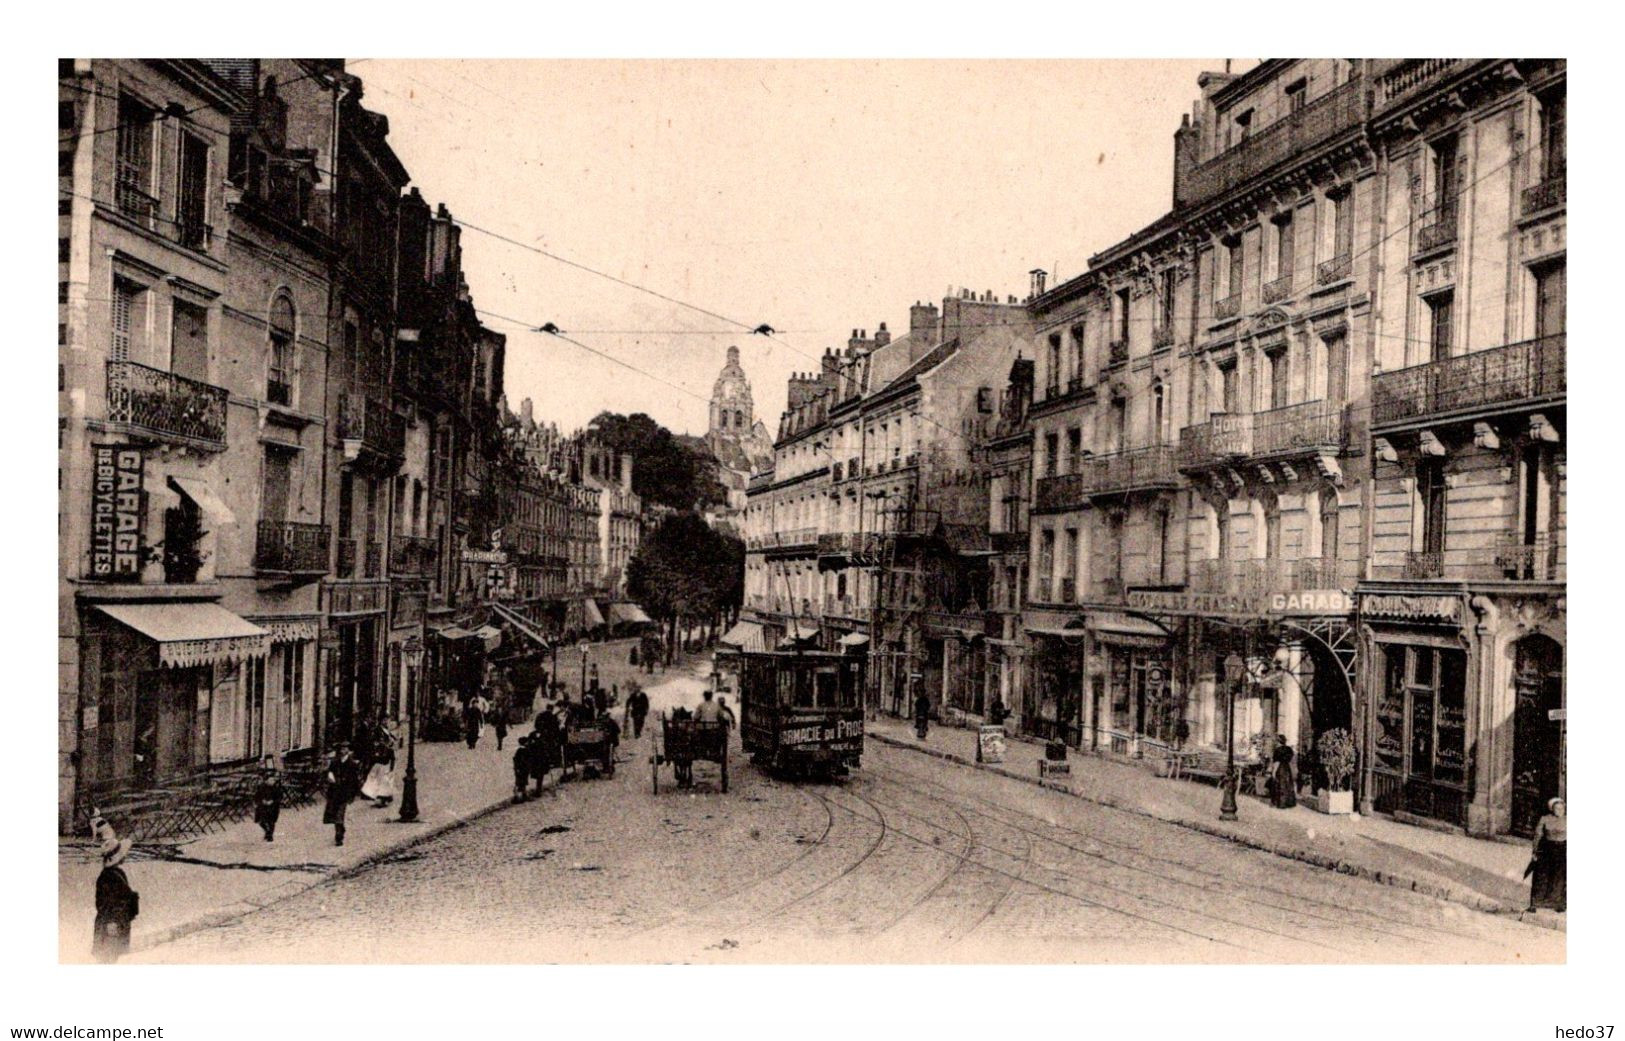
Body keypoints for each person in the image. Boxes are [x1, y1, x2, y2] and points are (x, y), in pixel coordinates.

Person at [91, 827, 138, 963]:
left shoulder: (117, 873)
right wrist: (112, 923)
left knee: (112, 959)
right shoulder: (108, 877)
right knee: (106, 960)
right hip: (110, 926)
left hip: (116, 923)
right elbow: (105, 903)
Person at [1527, 797, 1566, 913]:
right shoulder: (1545, 819)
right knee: (1541, 876)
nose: (1559, 811)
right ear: (1552, 809)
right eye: (1557, 808)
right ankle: (1535, 903)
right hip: (1547, 850)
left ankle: (1558, 904)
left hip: (1563, 850)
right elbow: (1537, 836)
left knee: (1560, 877)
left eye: (1562, 808)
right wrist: (1534, 852)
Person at [323, 744, 360, 846]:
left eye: (345, 749)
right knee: (334, 814)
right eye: (341, 749)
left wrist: (353, 794)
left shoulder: (352, 764)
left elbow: (355, 781)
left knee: (340, 814)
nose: (343, 751)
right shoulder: (335, 762)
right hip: (334, 792)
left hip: (345, 793)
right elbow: (329, 772)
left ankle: (338, 837)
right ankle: (341, 830)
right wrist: (330, 776)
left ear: (348, 750)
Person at [361, 730, 396, 808]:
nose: (382, 743)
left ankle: (385, 798)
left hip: (385, 767)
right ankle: (377, 797)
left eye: (384, 742)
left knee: (385, 783)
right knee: (375, 783)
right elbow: (373, 758)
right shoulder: (377, 749)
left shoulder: (390, 750)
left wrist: (391, 769)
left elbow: (392, 759)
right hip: (377, 767)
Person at [252, 757, 283, 842]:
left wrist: (272, 801)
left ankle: (270, 835)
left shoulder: (276, 788)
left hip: (273, 807)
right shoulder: (261, 788)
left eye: (273, 780)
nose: (273, 781)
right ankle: (267, 831)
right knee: (261, 821)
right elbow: (256, 796)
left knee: (271, 822)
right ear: (266, 781)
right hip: (262, 806)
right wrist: (261, 801)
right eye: (270, 780)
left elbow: (280, 797)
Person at [1269, 735, 1297, 809]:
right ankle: (1289, 803)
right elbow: (1292, 760)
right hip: (1287, 768)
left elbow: (1277, 762)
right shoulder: (1289, 749)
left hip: (1280, 768)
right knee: (1288, 785)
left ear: (1278, 741)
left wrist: (1274, 772)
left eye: (1276, 741)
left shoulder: (1277, 750)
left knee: (1279, 785)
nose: (1275, 742)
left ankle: (1281, 803)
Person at [513, 734, 532, 803]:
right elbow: (518, 761)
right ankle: (516, 797)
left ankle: (523, 795)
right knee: (519, 783)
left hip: (524, 769)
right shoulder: (521, 751)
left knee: (523, 783)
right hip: (521, 769)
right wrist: (517, 769)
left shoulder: (522, 750)